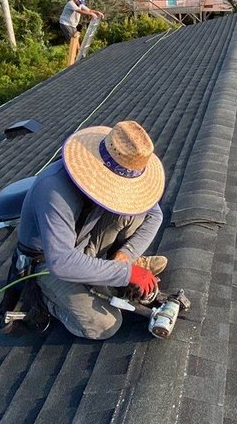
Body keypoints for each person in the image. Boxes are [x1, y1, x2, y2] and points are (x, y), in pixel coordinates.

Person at [15, 121, 168, 340]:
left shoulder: (122, 169)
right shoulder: (54, 189)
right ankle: (45, 299)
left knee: (133, 212)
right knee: (104, 324)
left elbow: (154, 214)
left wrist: (126, 256)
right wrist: (128, 273)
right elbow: (62, 262)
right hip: (46, 262)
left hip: (84, 244)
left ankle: (109, 269)